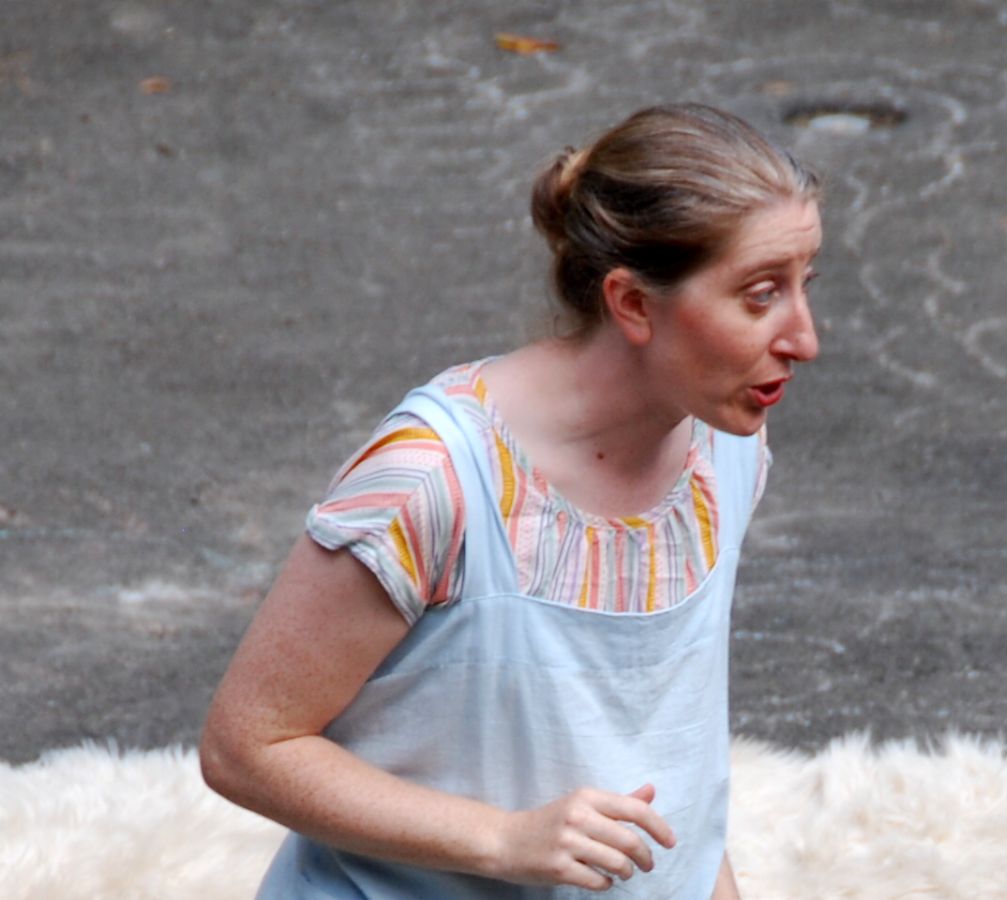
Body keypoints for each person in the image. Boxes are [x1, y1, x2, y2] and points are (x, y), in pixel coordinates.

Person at [201, 102, 822, 898]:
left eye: (805, 285)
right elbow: (247, 747)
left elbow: (674, 760)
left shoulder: (725, 446)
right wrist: (501, 839)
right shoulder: (433, 479)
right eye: (761, 295)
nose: (805, 339)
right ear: (633, 303)